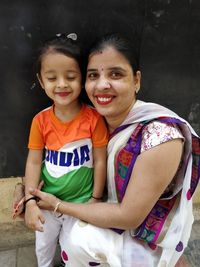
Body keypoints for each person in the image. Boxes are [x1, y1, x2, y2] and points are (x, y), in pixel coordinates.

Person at [15, 33, 200, 267]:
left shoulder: (161, 136)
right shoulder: (97, 121)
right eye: (94, 75)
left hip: (140, 236)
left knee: (76, 239)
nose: (102, 84)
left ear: (137, 80)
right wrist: (28, 194)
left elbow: (130, 217)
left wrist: (58, 206)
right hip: (97, 213)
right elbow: (44, 160)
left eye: (116, 74)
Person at [13, 33, 108, 267]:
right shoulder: (40, 121)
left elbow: (100, 160)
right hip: (45, 201)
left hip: (81, 202)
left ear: (83, 78)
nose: (62, 84)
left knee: (73, 249)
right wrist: (31, 201)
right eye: (52, 77)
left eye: (71, 77)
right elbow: (34, 161)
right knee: (43, 246)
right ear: (41, 80)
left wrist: (95, 199)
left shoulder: (94, 119)